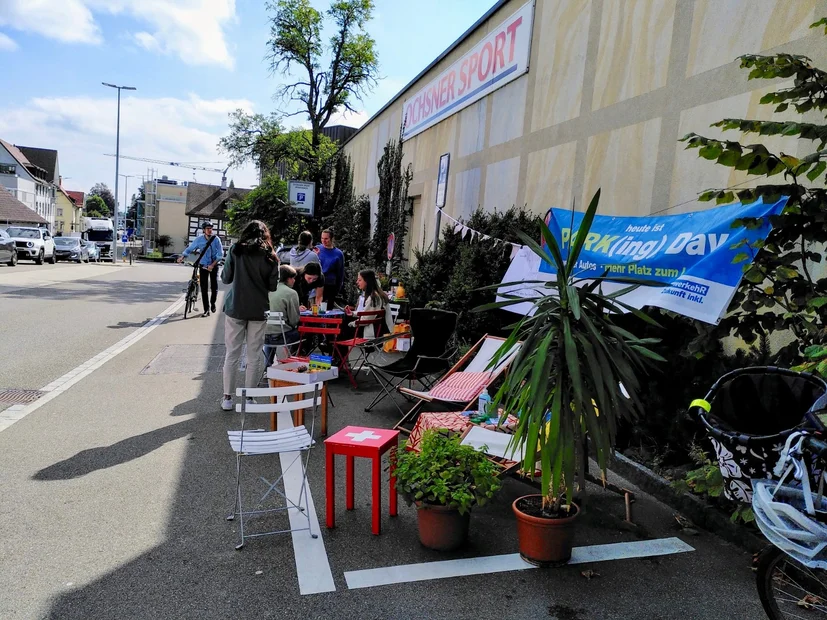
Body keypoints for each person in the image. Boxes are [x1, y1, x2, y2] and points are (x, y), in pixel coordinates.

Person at [220, 220, 279, 412]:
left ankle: (227, 398)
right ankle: (250, 398)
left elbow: (226, 278)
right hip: (258, 310)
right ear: (265, 235)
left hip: (235, 307)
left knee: (232, 354)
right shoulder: (270, 256)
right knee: (254, 355)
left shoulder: (235, 250)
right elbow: (273, 286)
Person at [178, 221, 224, 317]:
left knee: (214, 286)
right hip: (203, 265)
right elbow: (190, 248)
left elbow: (220, 254)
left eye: (211, 228)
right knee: (204, 288)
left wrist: (212, 265)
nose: (210, 230)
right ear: (204, 230)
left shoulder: (216, 239)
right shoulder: (199, 240)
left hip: (214, 265)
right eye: (207, 228)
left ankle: (213, 303)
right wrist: (182, 256)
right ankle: (206, 309)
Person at [342, 270, 393, 340]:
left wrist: (352, 323)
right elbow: (368, 314)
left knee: (342, 325)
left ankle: (333, 347)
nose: (357, 282)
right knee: (346, 319)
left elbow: (366, 319)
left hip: (372, 332)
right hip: (380, 330)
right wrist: (352, 313)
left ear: (367, 281)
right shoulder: (379, 295)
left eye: (359, 280)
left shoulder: (373, 298)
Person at [265, 264, 301, 364]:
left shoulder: (266, 289)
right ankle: (291, 362)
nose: (294, 280)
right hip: (283, 337)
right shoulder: (291, 293)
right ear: (287, 279)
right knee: (302, 334)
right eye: (292, 278)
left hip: (263, 336)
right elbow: (294, 321)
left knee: (270, 332)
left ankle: (267, 366)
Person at [316, 228, 345, 305]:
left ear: (332, 239)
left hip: (330, 284)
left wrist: (338, 288)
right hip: (317, 283)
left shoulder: (338, 254)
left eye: (326, 238)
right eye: (322, 238)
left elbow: (340, 272)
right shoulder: (317, 249)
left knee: (328, 308)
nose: (323, 241)